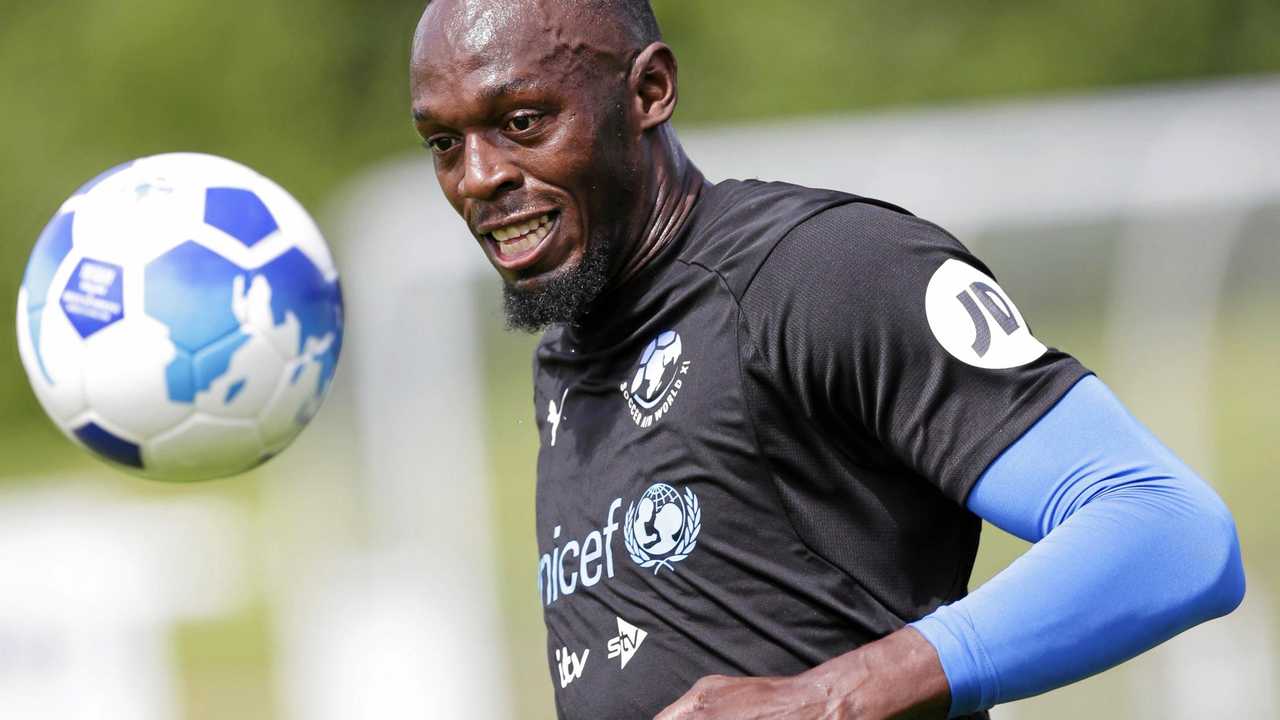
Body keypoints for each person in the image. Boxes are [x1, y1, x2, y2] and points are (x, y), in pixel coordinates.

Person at [408, 1, 1246, 718]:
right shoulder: (570, 350)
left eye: (522, 123)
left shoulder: (826, 273)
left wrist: (830, 697)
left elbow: (1170, 529)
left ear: (649, 92)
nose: (478, 177)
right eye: (444, 143)